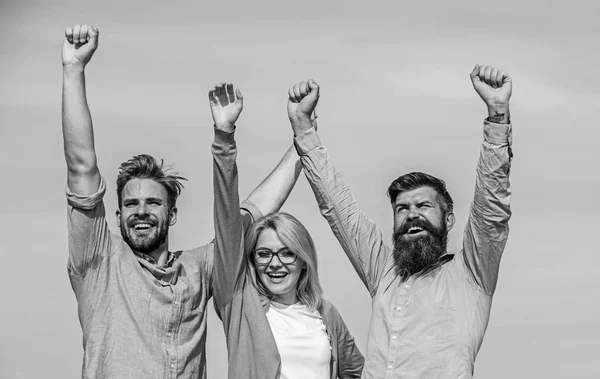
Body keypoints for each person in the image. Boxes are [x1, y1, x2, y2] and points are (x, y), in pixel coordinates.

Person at [61, 25, 301, 378]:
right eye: (131, 204)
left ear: (171, 214)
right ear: (116, 214)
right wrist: (73, 70)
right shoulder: (99, 262)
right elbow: (81, 166)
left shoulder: (196, 269)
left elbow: (253, 211)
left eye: (153, 203)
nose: (141, 210)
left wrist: (304, 141)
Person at [285, 65, 513, 378]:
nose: (411, 214)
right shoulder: (383, 273)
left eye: (423, 205)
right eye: (402, 208)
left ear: (448, 219)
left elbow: (491, 209)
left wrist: (497, 116)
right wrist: (303, 129)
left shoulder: (472, 275)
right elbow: (339, 210)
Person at [209, 82, 364, 378]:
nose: (275, 264)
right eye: (264, 254)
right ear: (252, 260)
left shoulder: (326, 315)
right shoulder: (240, 304)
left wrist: (304, 132)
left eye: (287, 253)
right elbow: (228, 223)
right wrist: (224, 139)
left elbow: (357, 372)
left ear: (304, 260)